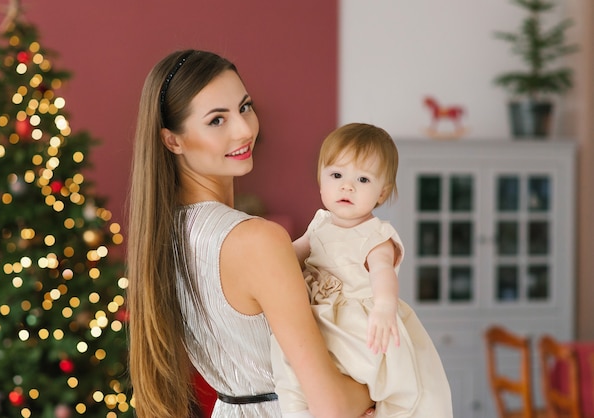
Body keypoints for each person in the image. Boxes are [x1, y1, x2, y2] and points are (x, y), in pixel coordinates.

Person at [126, 49, 376, 418]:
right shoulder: (256, 240)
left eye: (244, 107)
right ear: (172, 141)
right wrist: (378, 388)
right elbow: (332, 405)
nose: (244, 129)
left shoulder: (167, 237)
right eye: (216, 120)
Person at [271, 123, 453, 417]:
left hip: (356, 325)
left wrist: (384, 305)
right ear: (321, 181)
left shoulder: (375, 235)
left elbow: (383, 272)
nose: (347, 186)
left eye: (363, 179)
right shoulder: (319, 224)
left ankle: (367, 406)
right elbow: (290, 255)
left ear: (382, 193)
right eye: (337, 175)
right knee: (291, 363)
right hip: (316, 317)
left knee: (365, 374)